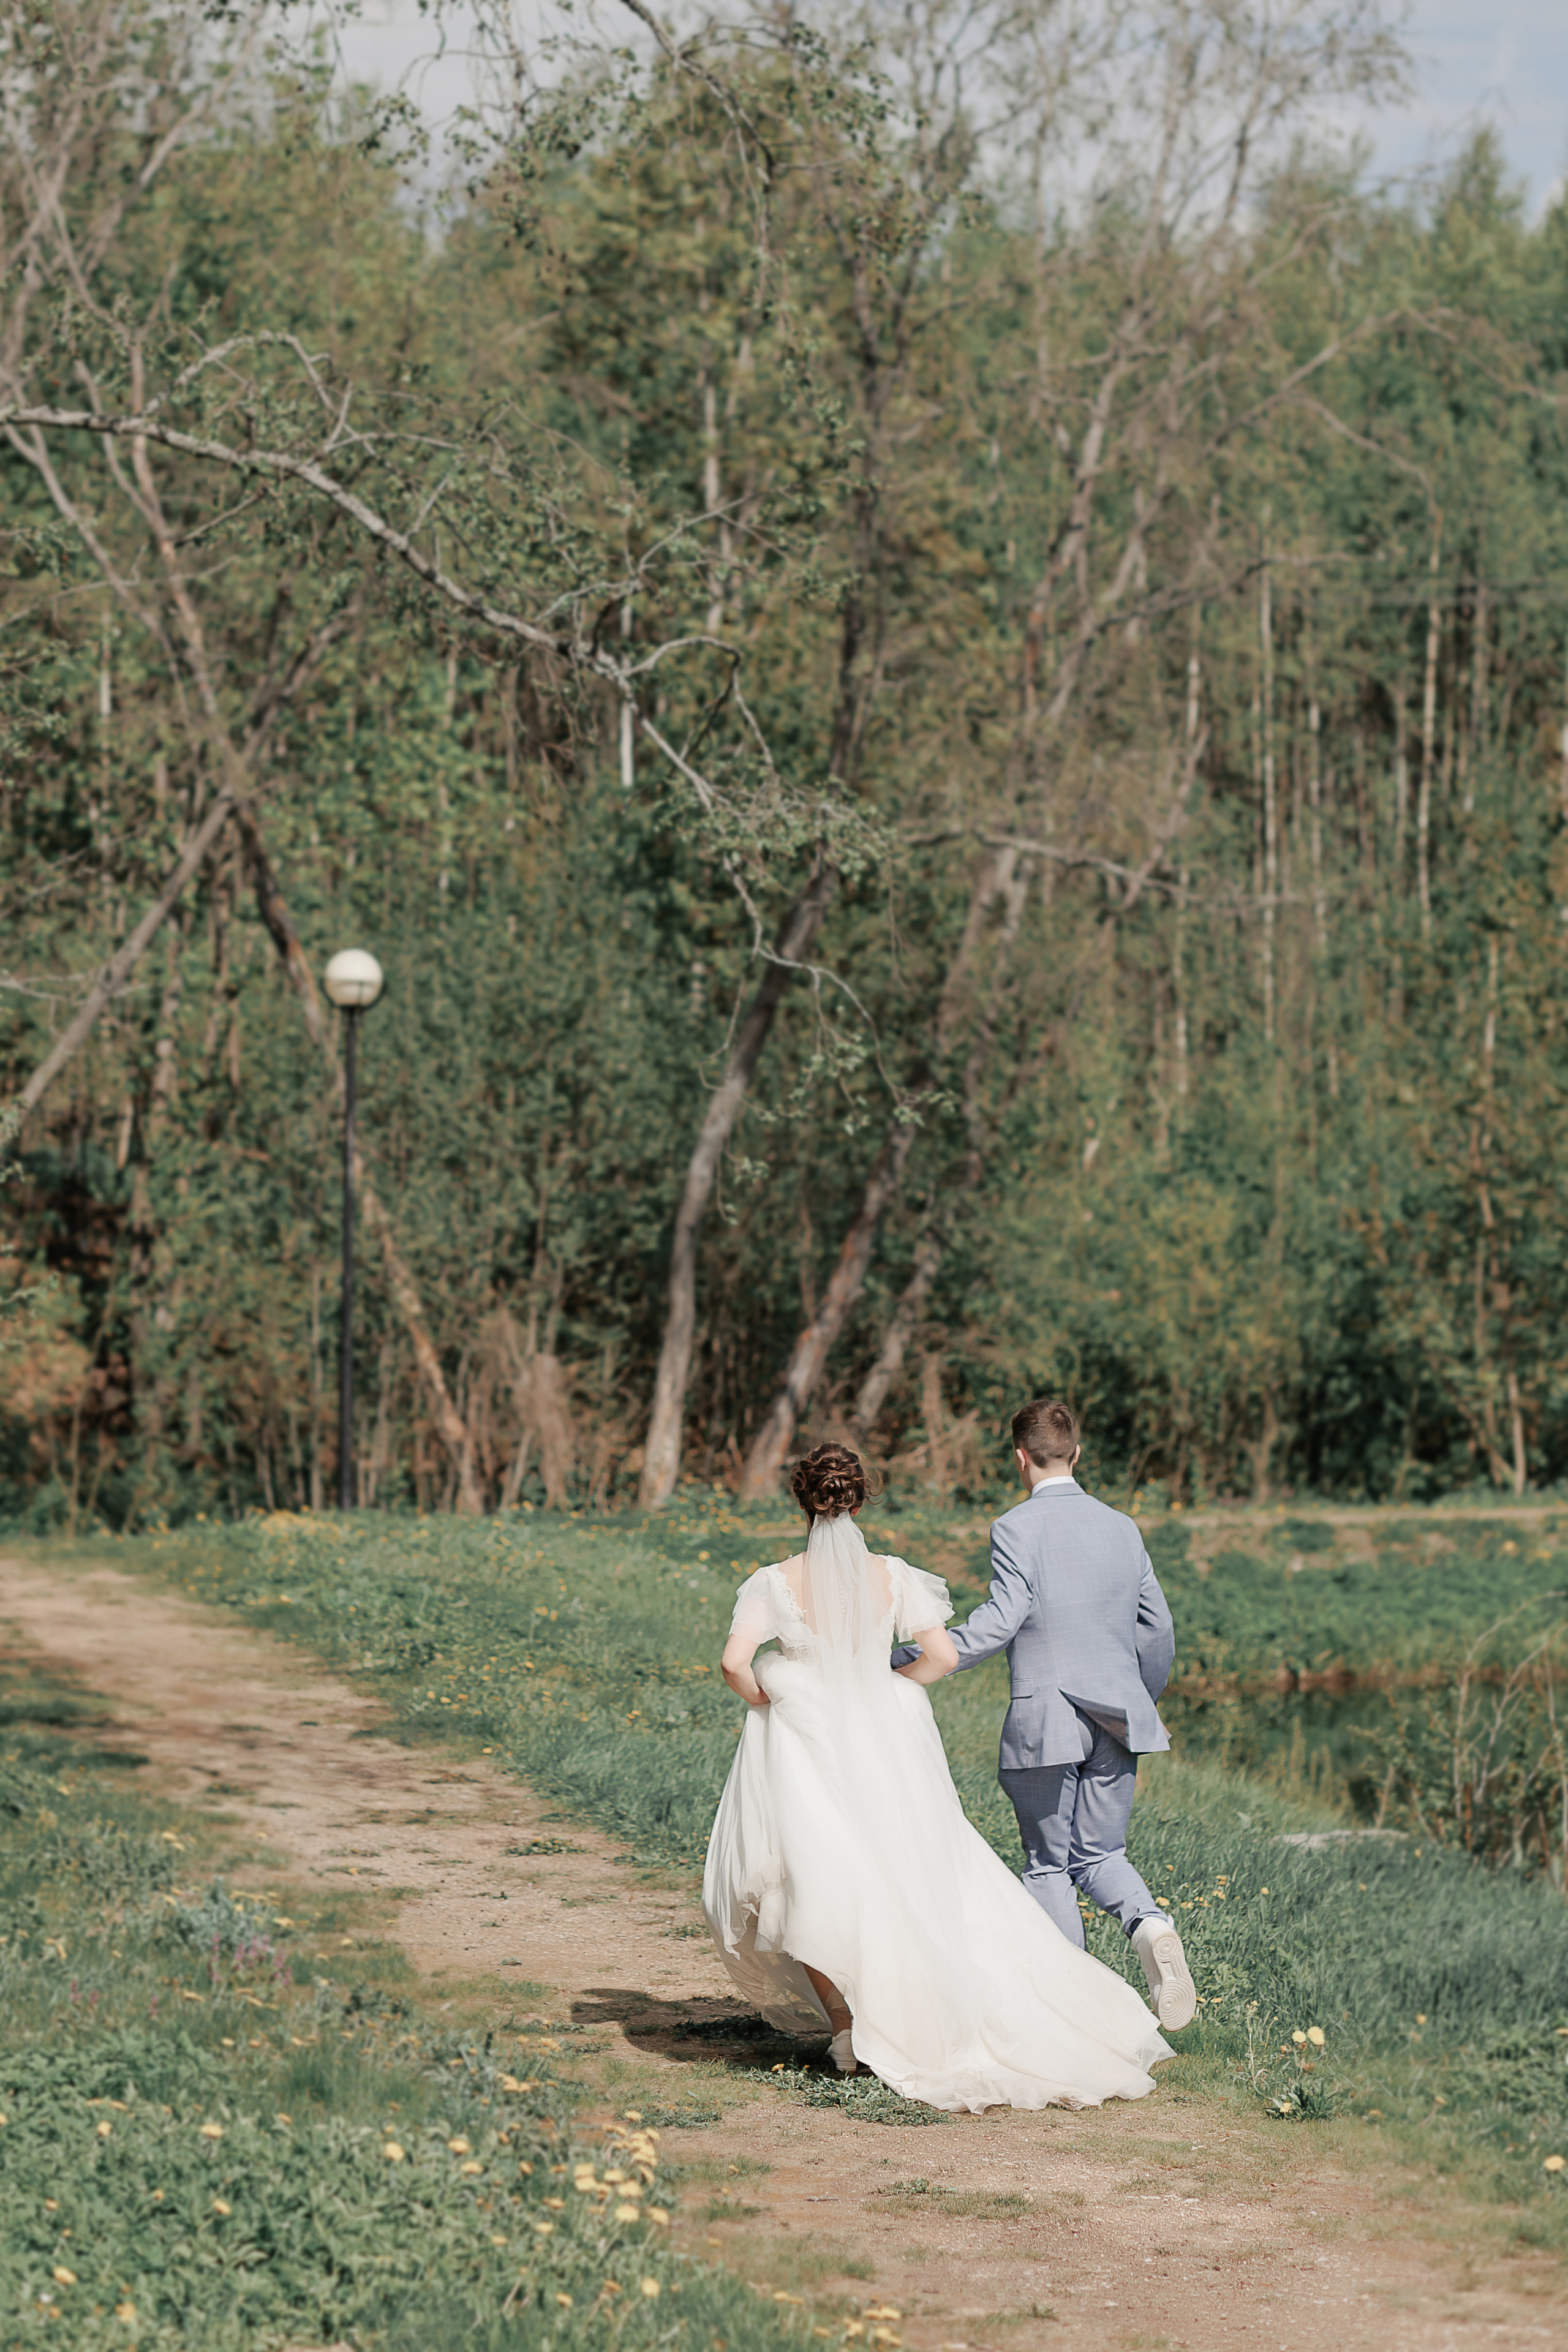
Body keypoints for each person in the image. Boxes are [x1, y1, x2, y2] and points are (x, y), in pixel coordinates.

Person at [701, 1441, 1171, 2112]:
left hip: (806, 1743)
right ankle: (945, 2008)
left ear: (803, 1500)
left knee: (814, 1875)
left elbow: (733, 1662)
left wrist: (771, 1698)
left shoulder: (771, 1582)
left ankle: (846, 2032)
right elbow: (943, 1656)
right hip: (889, 1745)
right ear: (859, 1499)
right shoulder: (894, 1576)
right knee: (914, 1870)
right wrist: (892, 1687)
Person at [898, 1397, 1195, 2030]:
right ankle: (1150, 1924)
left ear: (1020, 1458)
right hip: (1120, 1716)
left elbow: (1000, 1622)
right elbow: (1158, 1628)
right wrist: (1137, 1698)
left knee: (1049, 1866)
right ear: (1076, 1454)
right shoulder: (1123, 1527)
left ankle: (1077, 2016)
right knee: (1102, 1854)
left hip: (1048, 1720)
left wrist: (911, 1658)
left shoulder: (1015, 1527)